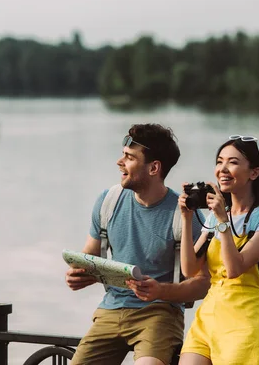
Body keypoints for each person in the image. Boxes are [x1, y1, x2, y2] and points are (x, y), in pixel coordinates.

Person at [66, 123, 210, 365]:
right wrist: (79, 273)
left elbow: (203, 284)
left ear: (154, 168)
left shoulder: (185, 214)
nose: (119, 162)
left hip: (159, 315)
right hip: (110, 310)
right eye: (123, 154)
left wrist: (160, 291)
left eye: (129, 157)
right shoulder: (108, 201)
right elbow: (89, 255)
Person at [177, 135, 259, 365]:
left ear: (254, 173)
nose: (222, 169)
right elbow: (188, 269)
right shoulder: (215, 215)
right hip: (207, 321)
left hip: (243, 325)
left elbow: (234, 268)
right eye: (219, 161)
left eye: (233, 162)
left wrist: (222, 221)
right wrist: (186, 219)